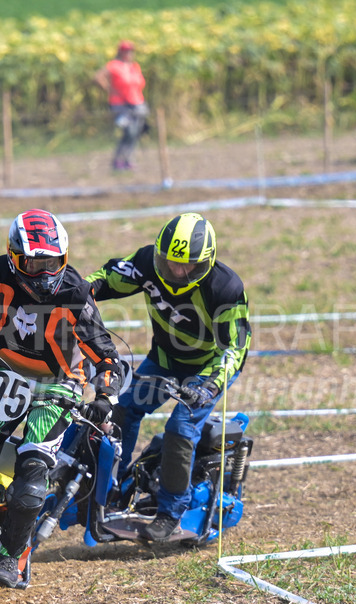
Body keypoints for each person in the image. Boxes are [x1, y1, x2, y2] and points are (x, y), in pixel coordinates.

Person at [0, 209, 122, 586]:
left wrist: (105, 395)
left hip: (58, 386)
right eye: (34, 262)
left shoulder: (76, 293)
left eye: (53, 262)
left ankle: (10, 557)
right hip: (7, 375)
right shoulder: (0, 271)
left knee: (32, 476)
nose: (45, 272)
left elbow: (106, 355)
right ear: (15, 258)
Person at [86, 213, 251, 542]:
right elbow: (105, 278)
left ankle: (171, 512)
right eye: (170, 262)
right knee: (124, 408)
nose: (177, 271)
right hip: (163, 358)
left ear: (206, 262)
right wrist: (76, 293)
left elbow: (236, 347)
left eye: (188, 265)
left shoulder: (226, 289)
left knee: (180, 426)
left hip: (206, 370)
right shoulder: (147, 263)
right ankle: (114, 489)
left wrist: (209, 387)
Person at [94, 40, 148, 171]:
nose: (129, 53)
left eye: (130, 51)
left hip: (137, 103)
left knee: (135, 133)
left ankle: (128, 160)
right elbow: (97, 77)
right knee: (128, 132)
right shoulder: (114, 65)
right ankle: (118, 160)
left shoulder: (134, 66)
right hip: (120, 105)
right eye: (126, 51)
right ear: (120, 52)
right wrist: (109, 89)